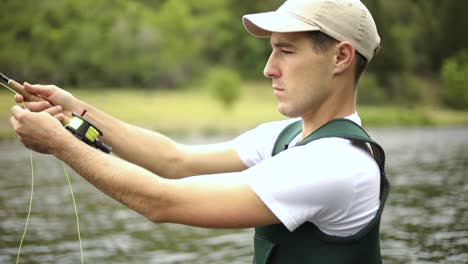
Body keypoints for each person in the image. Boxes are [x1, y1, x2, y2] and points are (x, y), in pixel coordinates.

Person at [9, 0, 389, 263]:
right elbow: (175, 160)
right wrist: (76, 109)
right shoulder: (285, 135)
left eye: (286, 51)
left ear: (341, 57)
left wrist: (60, 144)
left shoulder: (335, 164)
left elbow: (163, 202)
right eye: (272, 51)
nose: (269, 68)